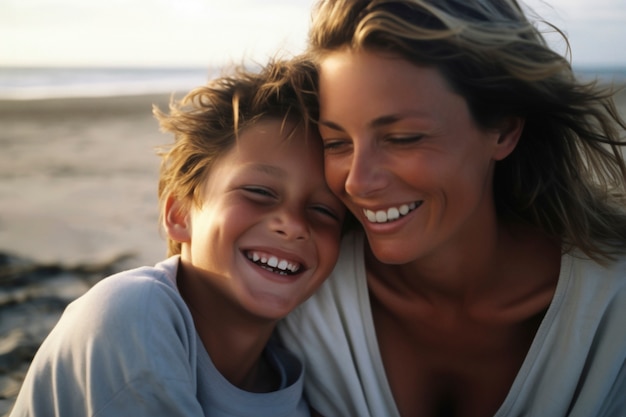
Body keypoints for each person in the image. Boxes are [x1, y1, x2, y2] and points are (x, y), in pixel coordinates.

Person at [277, 1, 626, 416]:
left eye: (403, 138)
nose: (356, 181)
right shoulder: (303, 296)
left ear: (504, 129)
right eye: (337, 143)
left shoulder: (612, 310)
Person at [9, 57, 346, 417]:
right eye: (259, 191)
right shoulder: (132, 313)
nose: (293, 224)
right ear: (180, 214)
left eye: (324, 210)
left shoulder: (306, 391)